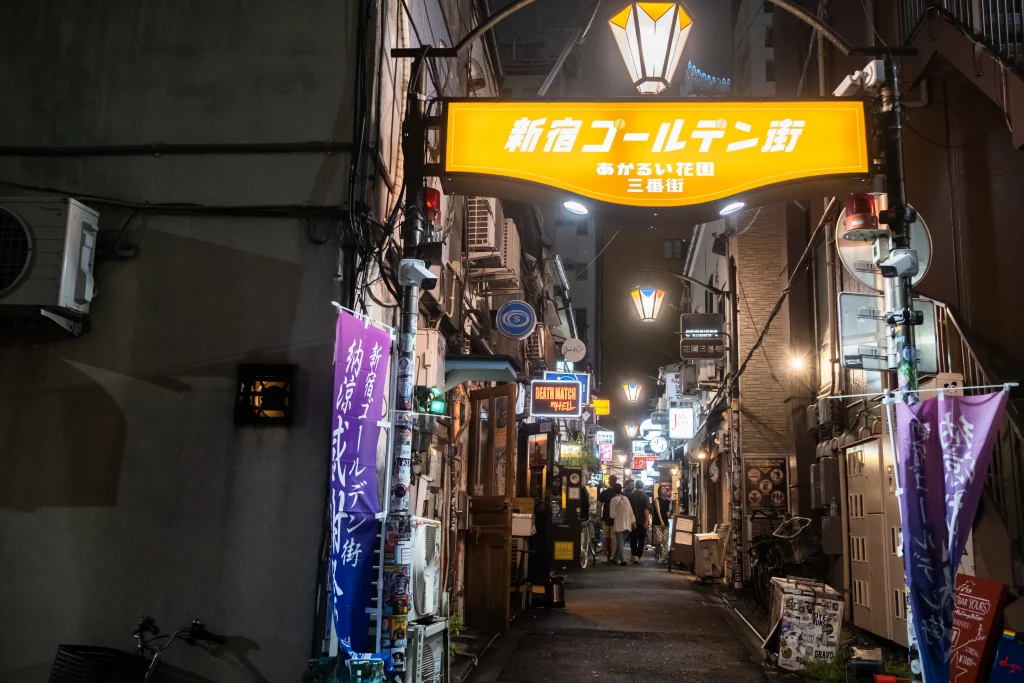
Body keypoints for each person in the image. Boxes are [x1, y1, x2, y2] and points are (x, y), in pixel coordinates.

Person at [609, 483, 635, 566]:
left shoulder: (613, 499)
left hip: (619, 523)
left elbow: (612, 514)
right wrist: (633, 521)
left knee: (620, 542)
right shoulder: (626, 498)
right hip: (628, 523)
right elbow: (631, 511)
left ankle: (624, 560)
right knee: (621, 542)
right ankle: (615, 559)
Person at [628, 480, 651, 564]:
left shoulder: (631, 496)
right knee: (641, 539)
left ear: (635, 486)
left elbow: (628, 509)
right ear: (643, 486)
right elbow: (646, 510)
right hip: (642, 521)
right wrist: (646, 521)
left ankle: (634, 556)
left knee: (633, 539)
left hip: (632, 521)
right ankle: (639, 556)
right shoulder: (645, 497)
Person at [597, 475, 619, 562]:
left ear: (609, 482)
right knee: (614, 538)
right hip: (615, 519)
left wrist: (599, 516)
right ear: (616, 481)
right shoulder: (617, 493)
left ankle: (606, 556)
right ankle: (612, 557)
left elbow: (599, 505)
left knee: (605, 537)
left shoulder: (604, 493)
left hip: (605, 518)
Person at [652, 483, 674, 564]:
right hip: (658, 523)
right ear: (659, 491)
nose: (664, 490)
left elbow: (670, 511)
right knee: (659, 539)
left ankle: (663, 558)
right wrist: (661, 521)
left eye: (665, 489)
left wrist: (670, 513)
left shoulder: (669, 501)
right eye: (662, 489)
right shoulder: (657, 500)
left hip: (666, 522)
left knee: (665, 541)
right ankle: (657, 551)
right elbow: (658, 511)